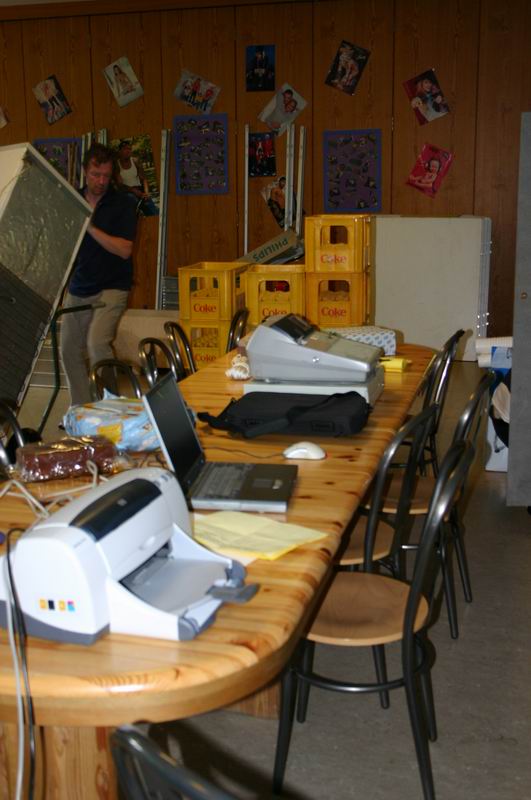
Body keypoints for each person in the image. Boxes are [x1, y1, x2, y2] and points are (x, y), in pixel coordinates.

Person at [60, 143, 138, 406]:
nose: (101, 181)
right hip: (82, 283)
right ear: (85, 171)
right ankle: (81, 410)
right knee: (68, 349)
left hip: (113, 286)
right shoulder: (72, 199)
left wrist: (89, 226)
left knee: (96, 344)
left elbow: (124, 250)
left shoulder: (123, 202)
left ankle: (110, 405)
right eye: (96, 175)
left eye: (106, 175)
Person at [116, 140, 158, 216]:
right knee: (132, 201)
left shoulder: (135, 161)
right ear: (120, 151)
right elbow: (120, 185)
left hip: (139, 191)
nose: (128, 151)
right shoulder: (116, 165)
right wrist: (133, 190)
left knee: (153, 211)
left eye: (129, 149)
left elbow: (144, 179)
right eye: (125, 149)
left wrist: (146, 192)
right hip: (126, 193)